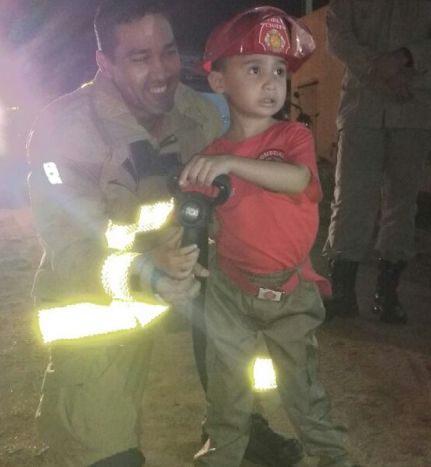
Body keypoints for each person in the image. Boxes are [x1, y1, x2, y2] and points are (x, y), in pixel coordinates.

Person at [27, 1, 300, 465]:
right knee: (107, 455)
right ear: (105, 63)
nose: (162, 72)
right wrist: (149, 273)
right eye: (140, 58)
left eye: (169, 52)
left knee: (245, 291)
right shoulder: (65, 130)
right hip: (107, 294)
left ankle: (238, 422)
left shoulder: (199, 114)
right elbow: (72, 251)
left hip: (188, 272)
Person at [179, 7, 355, 467]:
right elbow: (193, 217)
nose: (271, 82)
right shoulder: (210, 155)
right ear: (219, 81)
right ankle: (221, 455)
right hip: (230, 289)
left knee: (302, 390)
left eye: (279, 71)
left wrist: (231, 164)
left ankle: (333, 456)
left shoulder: (293, 136)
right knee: (227, 388)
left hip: (290, 291)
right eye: (254, 69)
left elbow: (297, 180)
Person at [323, 0, 431, 324]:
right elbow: (337, 33)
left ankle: (387, 294)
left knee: (401, 203)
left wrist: (406, 57)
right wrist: (376, 67)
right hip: (362, 106)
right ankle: (342, 292)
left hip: (414, 104)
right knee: (351, 198)